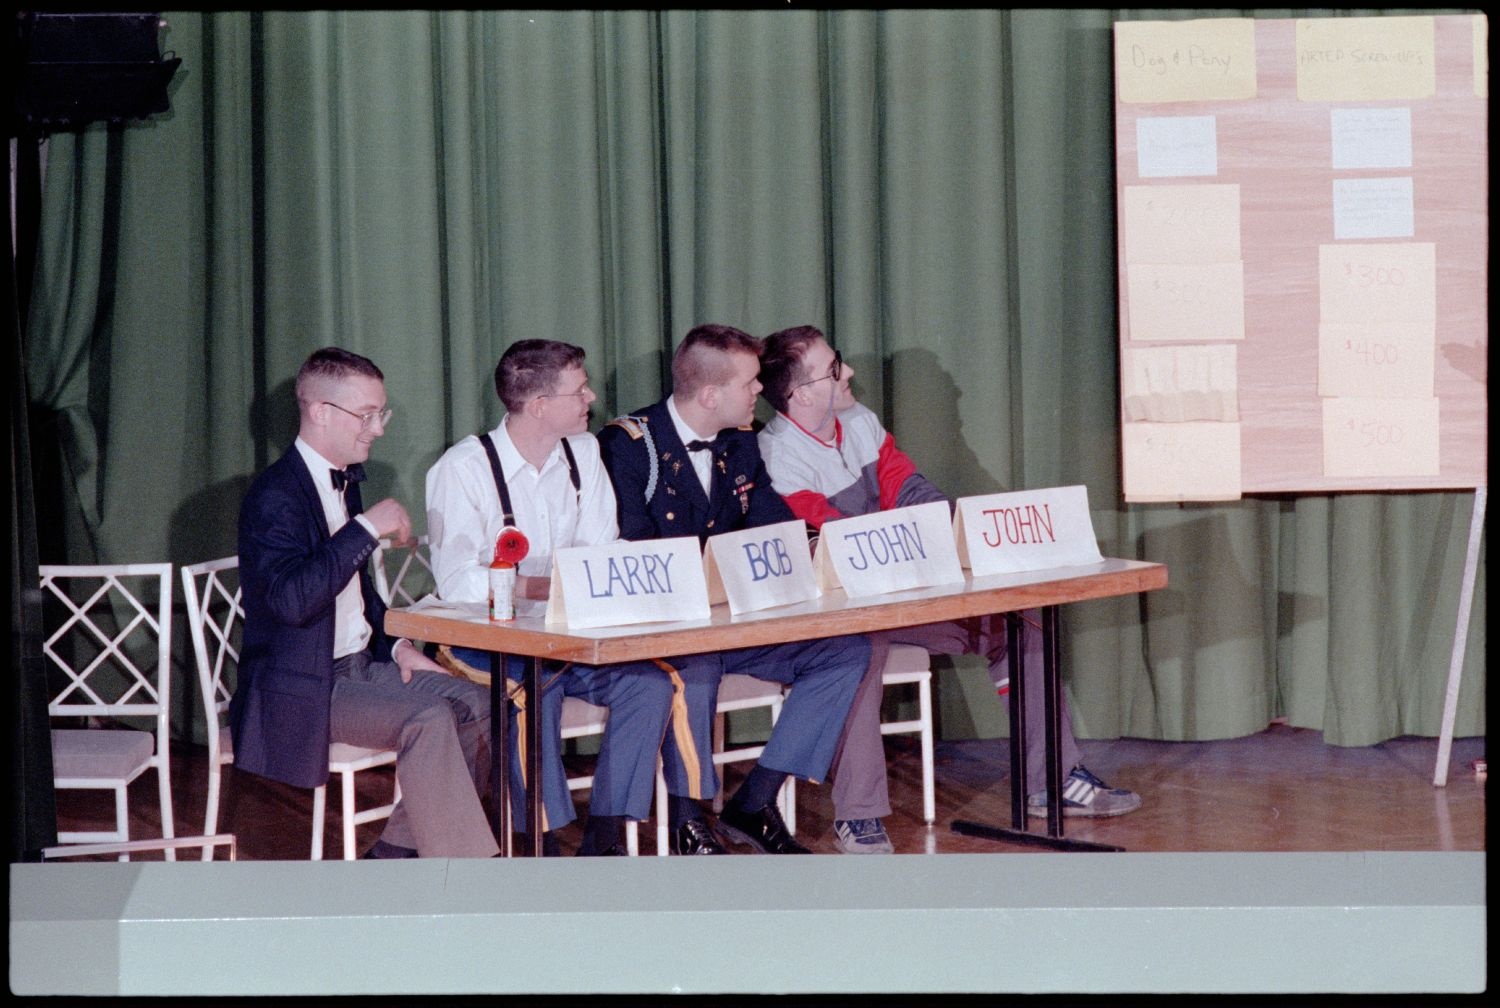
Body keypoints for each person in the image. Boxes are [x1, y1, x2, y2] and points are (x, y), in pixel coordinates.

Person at [757, 325, 1142, 854]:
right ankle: (858, 815)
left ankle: (1050, 781)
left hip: (906, 589)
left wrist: (953, 528)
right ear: (800, 395)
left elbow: (910, 488)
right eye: (833, 367)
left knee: (1021, 617)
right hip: (845, 608)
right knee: (856, 649)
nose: (847, 373)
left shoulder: (860, 421)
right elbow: (832, 542)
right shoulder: (777, 456)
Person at [597, 323, 868, 855]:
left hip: (733, 622)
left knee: (844, 651)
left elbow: (773, 527)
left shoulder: (742, 440)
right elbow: (636, 552)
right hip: (667, 632)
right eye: (749, 383)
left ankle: (756, 798)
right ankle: (686, 818)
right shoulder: (628, 446)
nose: (759, 391)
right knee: (693, 669)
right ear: (708, 394)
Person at [231, 346, 498, 859]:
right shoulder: (275, 495)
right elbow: (291, 602)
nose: (378, 428)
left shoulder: (344, 479)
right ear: (320, 412)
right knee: (429, 717)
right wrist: (364, 530)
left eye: (382, 413)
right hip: (303, 685)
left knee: (478, 702)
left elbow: (357, 597)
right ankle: (467, 872)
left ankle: (394, 855)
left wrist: (397, 648)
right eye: (367, 415)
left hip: (359, 667)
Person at [425, 339, 674, 857]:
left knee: (648, 685)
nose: (591, 399)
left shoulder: (583, 453)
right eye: (579, 390)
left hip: (568, 632)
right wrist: (543, 585)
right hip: (489, 639)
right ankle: (539, 840)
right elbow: (457, 583)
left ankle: (604, 835)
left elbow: (602, 548)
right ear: (538, 406)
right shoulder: (463, 469)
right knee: (532, 693)